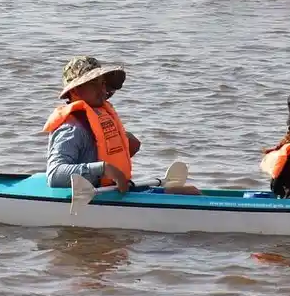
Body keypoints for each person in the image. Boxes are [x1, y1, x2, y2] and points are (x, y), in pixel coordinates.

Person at [43, 55, 200, 195]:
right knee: (190, 194)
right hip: (89, 196)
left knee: (191, 191)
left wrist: (125, 144)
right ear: (77, 88)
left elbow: (98, 151)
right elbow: (55, 175)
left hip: (110, 190)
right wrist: (103, 168)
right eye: (95, 83)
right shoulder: (71, 129)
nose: (104, 90)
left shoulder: (98, 116)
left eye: (103, 83)